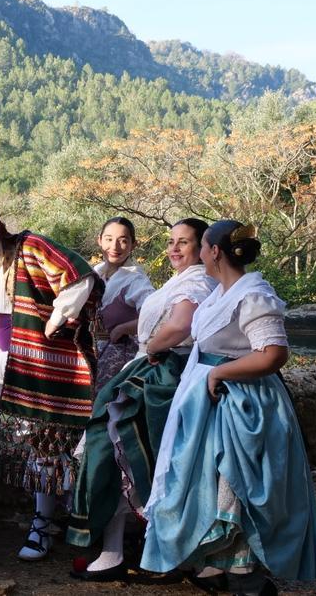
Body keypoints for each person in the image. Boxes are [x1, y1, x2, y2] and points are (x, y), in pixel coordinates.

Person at [141, 220, 316, 594]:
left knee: (235, 490)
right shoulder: (221, 293)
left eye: (203, 246)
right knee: (205, 486)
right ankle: (218, 568)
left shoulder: (254, 294)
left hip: (243, 405)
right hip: (212, 404)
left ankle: (247, 578)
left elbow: (273, 355)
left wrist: (219, 373)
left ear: (214, 252)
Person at [0, 196, 101, 561]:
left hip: (39, 362)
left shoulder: (32, 247)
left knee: (44, 441)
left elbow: (79, 277)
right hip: (2, 356)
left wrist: (57, 317)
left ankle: (42, 524)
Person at [67, 219, 217, 579]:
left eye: (185, 242)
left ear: (204, 248)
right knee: (115, 450)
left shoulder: (196, 281)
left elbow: (181, 326)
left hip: (167, 372)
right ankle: (117, 549)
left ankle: (148, 551)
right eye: (171, 242)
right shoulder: (178, 280)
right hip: (151, 366)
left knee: (124, 448)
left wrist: (150, 346)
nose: (175, 249)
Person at [91, 217, 154, 391]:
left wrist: (123, 328)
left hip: (119, 358)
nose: (115, 247)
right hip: (91, 352)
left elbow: (155, 316)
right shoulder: (95, 273)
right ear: (100, 240)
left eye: (123, 241)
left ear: (133, 245)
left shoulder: (136, 281)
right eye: (109, 239)